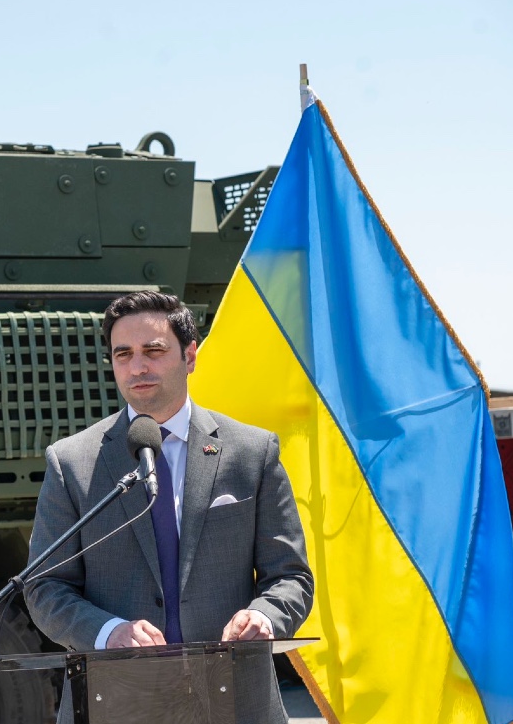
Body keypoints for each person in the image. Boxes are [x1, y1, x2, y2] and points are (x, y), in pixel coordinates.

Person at [23, 290, 313, 724]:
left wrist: (262, 616)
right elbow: (44, 587)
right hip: (116, 701)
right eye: (123, 354)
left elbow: (291, 576)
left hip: (234, 699)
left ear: (190, 356)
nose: (137, 367)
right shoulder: (72, 462)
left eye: (154, 351)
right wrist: (108, 632)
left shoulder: (252, 452)